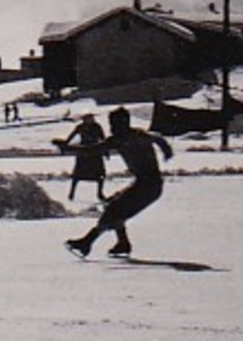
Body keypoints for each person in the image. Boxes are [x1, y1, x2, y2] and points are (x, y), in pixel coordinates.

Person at [59, 107, 173, 259]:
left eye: (113, 123)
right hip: (148, 184)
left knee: (114, 210)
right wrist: (166, 150)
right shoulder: (137, 135)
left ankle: (87, 242)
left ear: (123, 123)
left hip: (148, 186)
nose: (111, 127)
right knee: (114, 205)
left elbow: (91, 150)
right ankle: (122, 243)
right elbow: (157, 137)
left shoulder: (122, 139)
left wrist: (67, 148)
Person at [57, 113, 107, 201]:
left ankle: (100, 193)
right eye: (89, 118)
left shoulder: (97, 127)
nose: (91, 120)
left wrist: (105, 151)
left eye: (92, 118)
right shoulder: (80, 127)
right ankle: (72, 193)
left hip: (95, 152)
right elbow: (71, 137)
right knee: (77, 175)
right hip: (83, 152)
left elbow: (103, 139)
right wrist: (65, 145)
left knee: (100, 175)